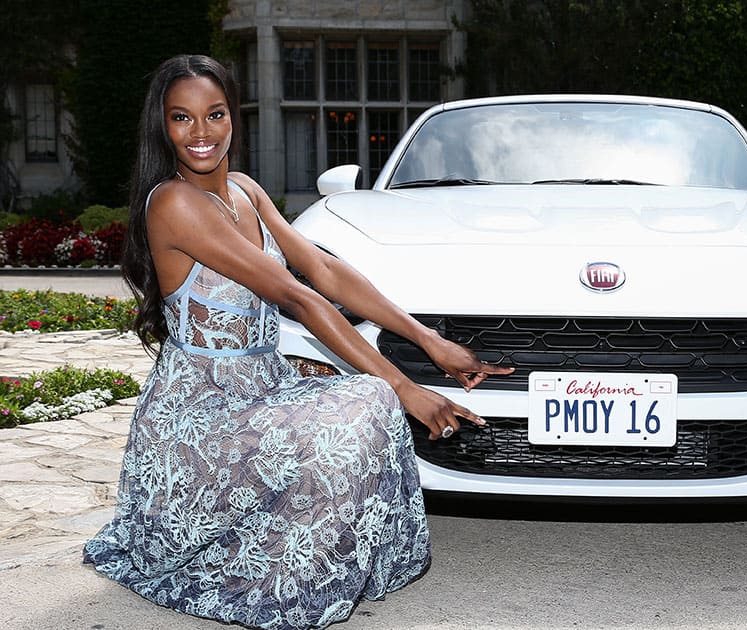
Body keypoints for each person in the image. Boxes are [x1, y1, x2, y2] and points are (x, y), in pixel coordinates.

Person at [83, 54, 511, 629]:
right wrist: (409, 387)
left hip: (263, 384)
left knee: (365, 400)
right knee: (372, 401)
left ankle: (308, 553)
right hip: (203, 413)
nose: (202, 133)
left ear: (236, 116)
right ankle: (279, 571)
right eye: (182, 118)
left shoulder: (244, 191)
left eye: (215, 114)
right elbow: (300, 297)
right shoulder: (173, 203)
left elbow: (326, 273)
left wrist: (427, 337)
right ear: (163, 125)